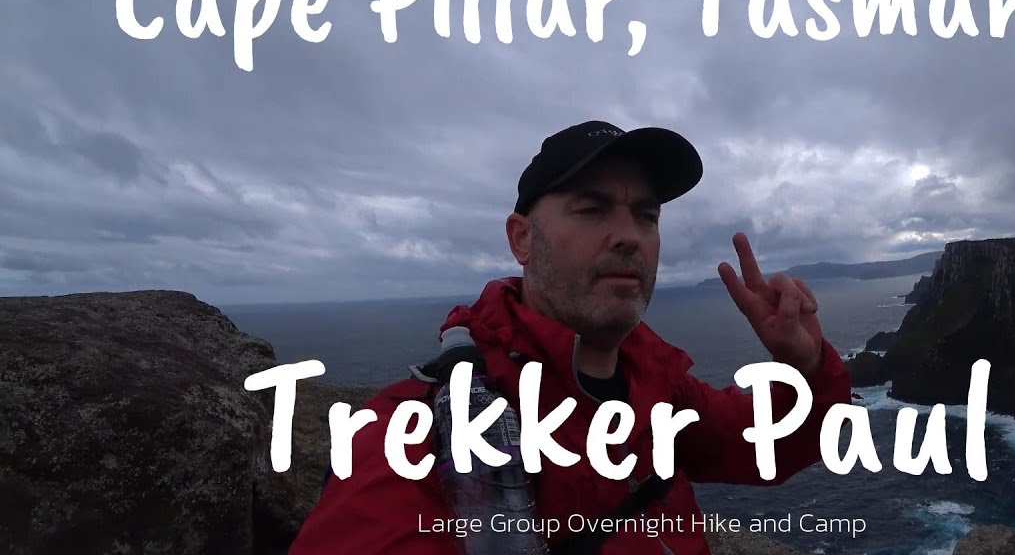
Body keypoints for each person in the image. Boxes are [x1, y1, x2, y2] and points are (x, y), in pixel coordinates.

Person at [289, 121, 852, 554]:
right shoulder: (413, 434)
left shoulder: (656, 387)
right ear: (522, 239)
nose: (630, 236)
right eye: (591, 209)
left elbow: (768, 446)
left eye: (647, 215)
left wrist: (803, 368)